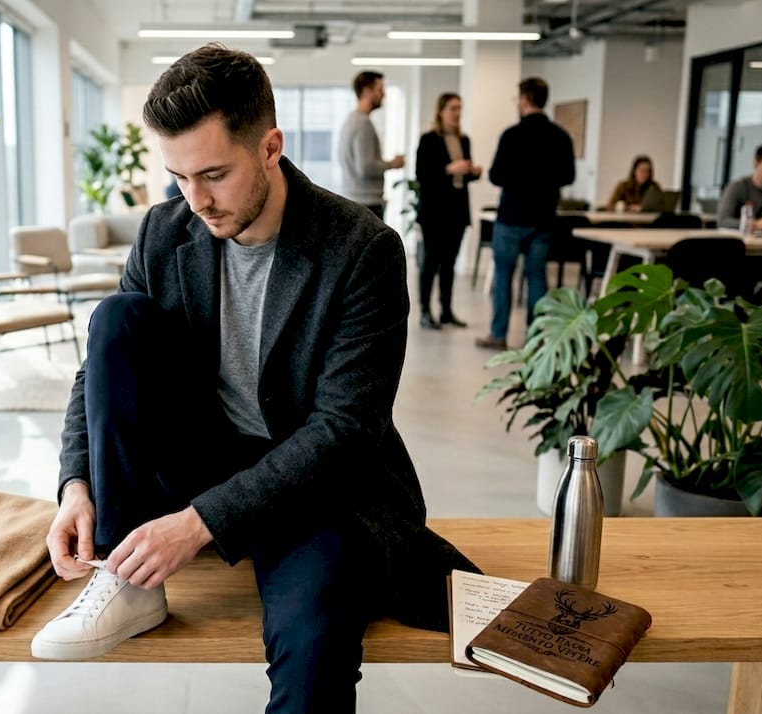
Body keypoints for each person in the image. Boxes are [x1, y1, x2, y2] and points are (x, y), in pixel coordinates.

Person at [31, 45, 478, 713]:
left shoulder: (363, 250)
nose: (197, 201)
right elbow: (99, 369)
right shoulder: (163, 231)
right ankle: (126, 581)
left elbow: (345, 430)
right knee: (117, 319)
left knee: (312, 646)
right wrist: (76, 484)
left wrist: (199, 524)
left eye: (214, 174)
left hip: (318, 483)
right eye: (179, 177)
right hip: (199, 456)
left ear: (271, 147)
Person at [476, 77, 576, 351]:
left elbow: (496, 176)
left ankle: (498, 334)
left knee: (503, 277)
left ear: (524, 100)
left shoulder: (512, 135)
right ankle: (536, 337)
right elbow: (568, 176)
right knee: (537, 277)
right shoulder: (560, 136)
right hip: (542, 218)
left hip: (511, 217)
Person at [414, 92, 481, 329]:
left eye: (459, 108)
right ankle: (425, 310)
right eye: (452, 108)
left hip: (457, 210)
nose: (457, 113)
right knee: (431, 262)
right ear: (441, 111)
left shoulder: (464, 140)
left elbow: (462, 177)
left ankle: (446, 310)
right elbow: (422, 174)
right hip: (434, 212)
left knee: (450, 263)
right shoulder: (429, 140)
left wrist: (472, 172)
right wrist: (448, 169)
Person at [337, 70, 405, 218]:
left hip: (357, 201)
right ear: (367, 91)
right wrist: (392, 164)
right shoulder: (362, 124)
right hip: (366, 204)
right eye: (380, 89)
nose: (383, 94)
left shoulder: (352, 120)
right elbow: (365, 167)